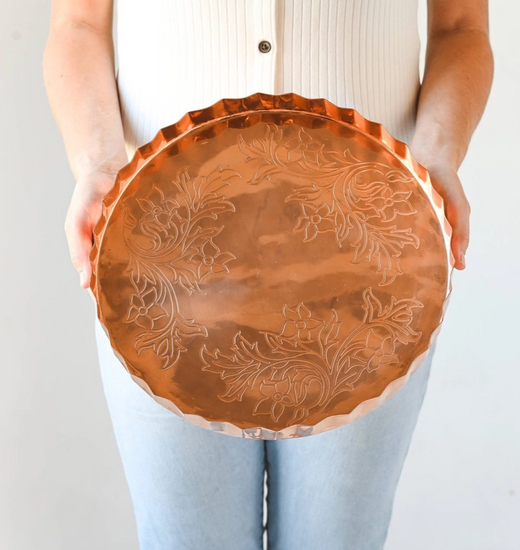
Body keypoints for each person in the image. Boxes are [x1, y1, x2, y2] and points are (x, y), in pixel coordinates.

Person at [43, 1, 493, 548]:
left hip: (374, 277)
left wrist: (436, 159)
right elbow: (78, 24)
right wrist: (97, 163)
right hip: (157, 278)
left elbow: (460, 28)